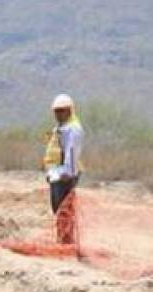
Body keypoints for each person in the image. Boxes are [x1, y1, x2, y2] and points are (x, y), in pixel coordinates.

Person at [43, 94, 85, 243]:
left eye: (61, 111)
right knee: (58, 209)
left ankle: (66, 241)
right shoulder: (61, 127)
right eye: (56, 111)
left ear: (69, 111)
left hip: (64, 174)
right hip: (56, 173)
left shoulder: (72, 129)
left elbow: (72, 152)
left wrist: (68, 172)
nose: (58, 114)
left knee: (64, 209)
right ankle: (62, 239)